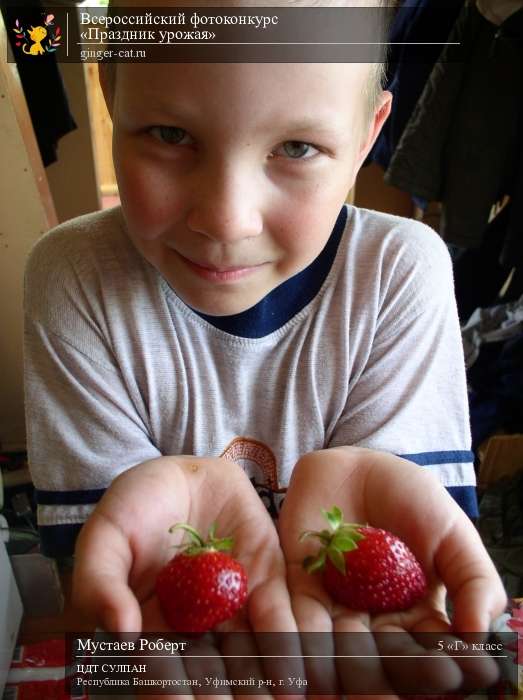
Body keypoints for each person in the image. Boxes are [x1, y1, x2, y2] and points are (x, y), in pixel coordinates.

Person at [23, 0, 506, 694]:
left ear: (370, 135)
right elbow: (108, 591)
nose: (225, 219)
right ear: (109, 94)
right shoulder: (71, 277)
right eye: (169, 133)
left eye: (296, 148)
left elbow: (397, 561)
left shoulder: (401, 272)